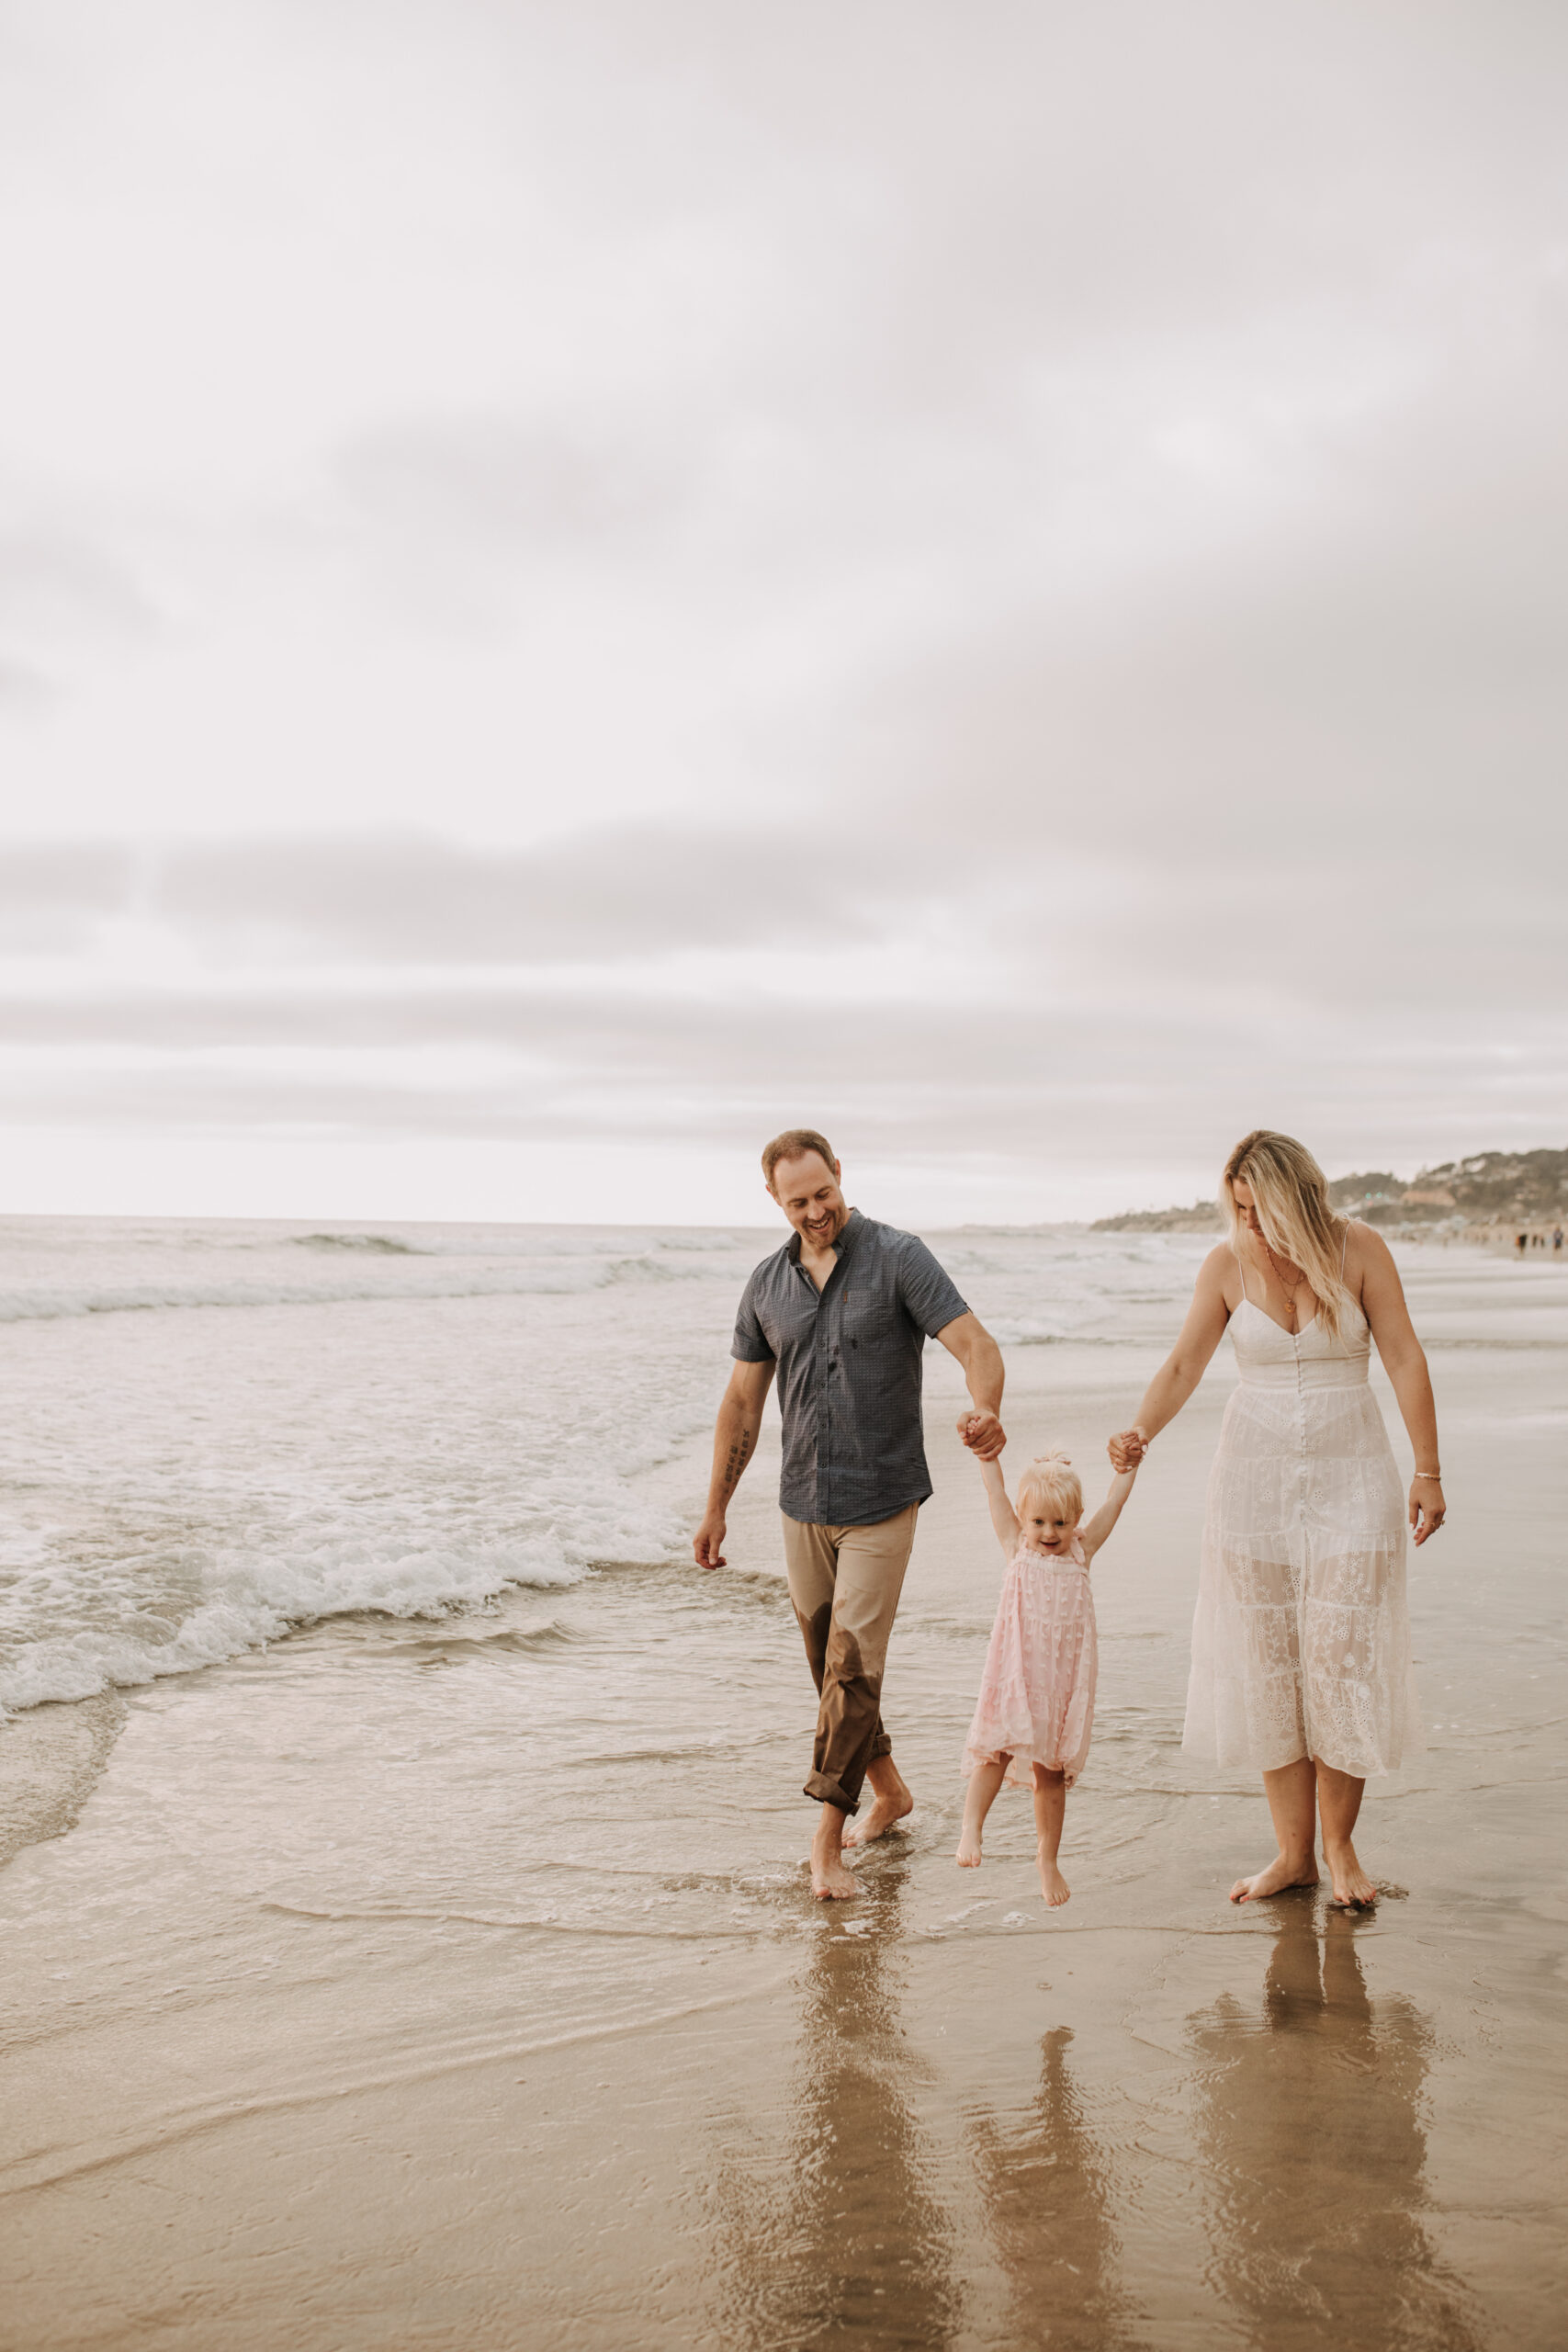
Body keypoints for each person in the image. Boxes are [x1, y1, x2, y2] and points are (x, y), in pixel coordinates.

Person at [1109, 1129, 1445, 1910]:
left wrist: (1426, 1470)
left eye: (1260, 1210)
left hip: (1352, 1473)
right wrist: (1139, 1432)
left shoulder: (1357, 1249)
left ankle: (1338, 1846)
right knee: (1269, 1670)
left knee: (1340, 1662)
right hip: (1251, 1481)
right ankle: (1292, 1855)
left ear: (1299, 1196)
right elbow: (1185, 1363)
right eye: (1237, 1210)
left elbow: (1402, 1356)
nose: (1249, 1227)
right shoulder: (1225, 1264)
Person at [693, 1129, 1008, 1900]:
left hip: (882, 1498)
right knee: (828, 1675)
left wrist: (985, 1407)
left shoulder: (899, 1257)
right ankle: (891, 1792)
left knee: (852, 1668)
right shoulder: (766, 1285)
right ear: (775, 1200)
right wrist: (715, 1509)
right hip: (801, 1502)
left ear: (841, 1176)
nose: (814, 1212)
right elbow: (741, 1402)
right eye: (796, 1201)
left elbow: (976, 1343)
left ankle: (824, 1845)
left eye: (822, 1194)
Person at [956, 1444, 1137, 1905]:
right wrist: (986, 1454)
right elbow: (994, 1489)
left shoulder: (1082, 1551)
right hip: (1014, 1674)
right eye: (1038, 1522)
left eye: (1060, 1522)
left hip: (1060, 1685)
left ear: (1077, 1518)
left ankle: (1048, 1858)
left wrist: (1128, 1469)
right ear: (1023, 1518)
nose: (1049, 1532)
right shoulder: (1014, 1544)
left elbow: (1114, 1504)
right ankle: (972, 1829)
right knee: (994, 1752)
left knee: (1050, 1772)